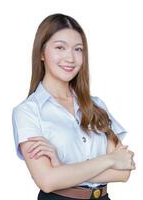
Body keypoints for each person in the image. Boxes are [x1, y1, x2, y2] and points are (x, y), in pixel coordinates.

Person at [11, 13, 136, 200]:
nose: (70, 57)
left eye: (78, 49)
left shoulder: (96, 105)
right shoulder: (28, 112)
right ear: (41, 53)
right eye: (60, 47)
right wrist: (109, 160)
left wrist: (62, 169)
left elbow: (124, 170)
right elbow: (47, 181)